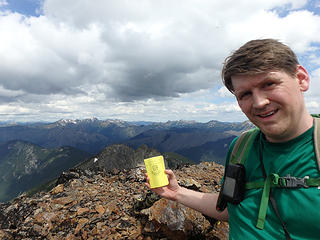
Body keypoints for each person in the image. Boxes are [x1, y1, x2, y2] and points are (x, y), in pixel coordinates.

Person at [145, 39, 320, 239]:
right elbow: (232, 208)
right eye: (245, 94)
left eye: (269, 84)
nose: (259, 102)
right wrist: (176, 193)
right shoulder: (241, 147)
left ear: (301, 78)